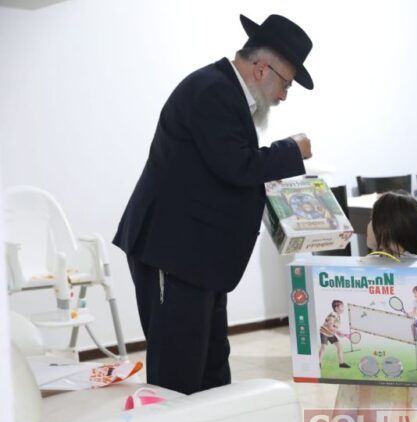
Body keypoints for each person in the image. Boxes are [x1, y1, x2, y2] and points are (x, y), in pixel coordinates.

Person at [113, 14, 314, 394]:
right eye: (286, 84)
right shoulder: (212, 91)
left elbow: (223, 170)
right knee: (177, 375)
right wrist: (292, 150)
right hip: (173, 254)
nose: (283, 96)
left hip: (200, 259)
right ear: (262, 69)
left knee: (211, 369)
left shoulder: (224, 91)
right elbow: (237, 165)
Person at [335, 191, 417, 422]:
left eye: (370, 220)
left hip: (402, 363)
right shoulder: (363, 265)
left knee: (398, 417)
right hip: (367, 358)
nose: (366, 227)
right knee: (365, 413)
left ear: (386, 227)